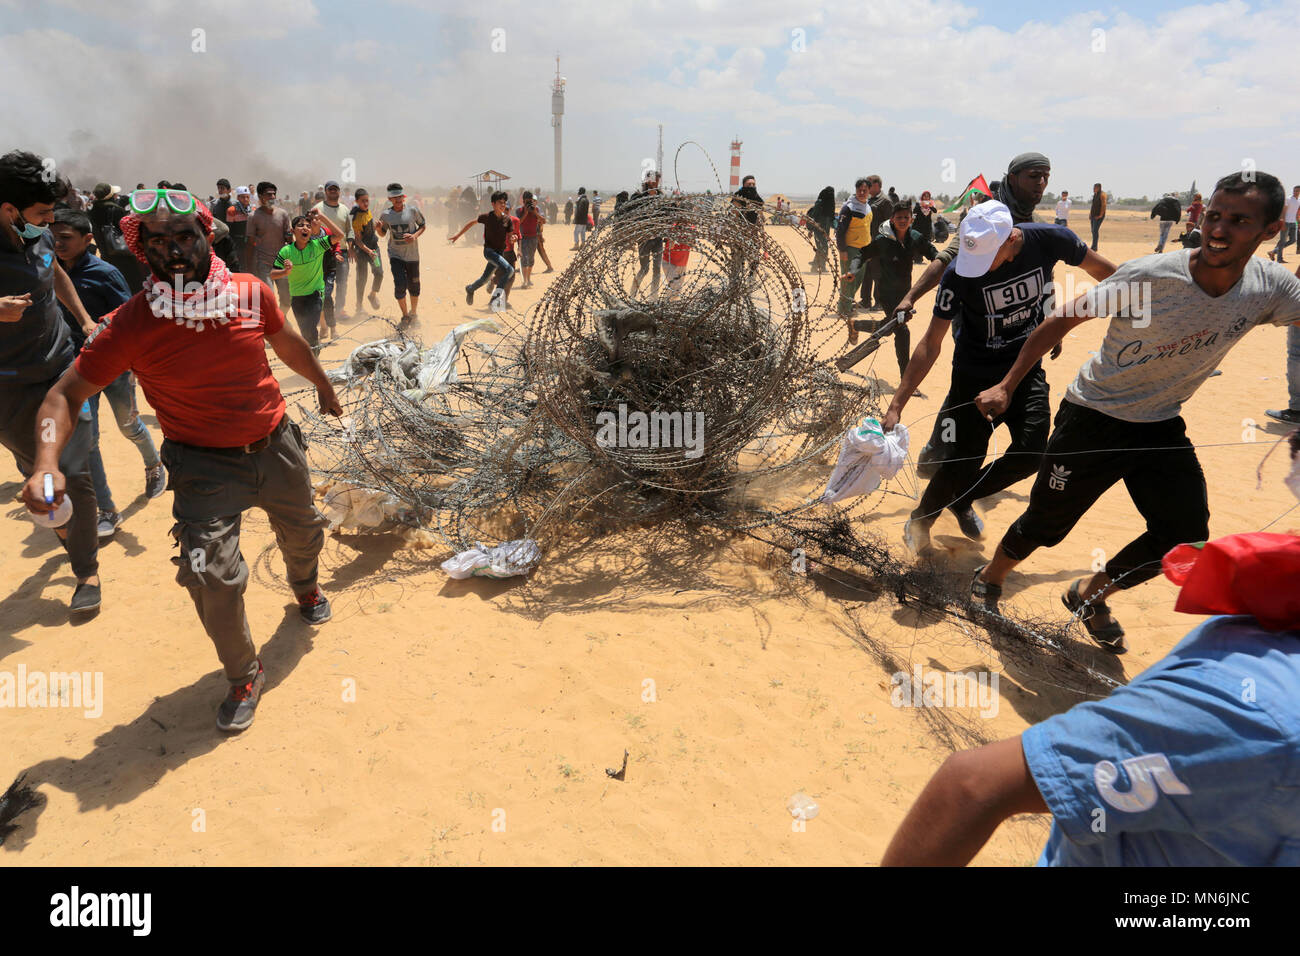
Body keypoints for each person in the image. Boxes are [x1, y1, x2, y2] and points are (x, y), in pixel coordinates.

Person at [24, 187, 342, 732]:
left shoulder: (248, 293)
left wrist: (323, 385)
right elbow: (65, 394)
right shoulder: (133, 322)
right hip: (202, 469)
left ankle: (304, 584)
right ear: (141, 250)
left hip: (276, 444)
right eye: (158, 240)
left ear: (206, 236)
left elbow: (287, 342)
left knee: (306, 531)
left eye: (184, 236)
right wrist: (46, 461)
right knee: (209, 575)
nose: (173, 249)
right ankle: (244, 673)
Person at [882, 489, 1300, 867]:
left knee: (1182, 523)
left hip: (1154, 424)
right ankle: (977, 557)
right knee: (1048, 510)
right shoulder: (1262, 714)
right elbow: (973, 783)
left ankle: (1084, 593)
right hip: (1102, 418)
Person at [972, 172, 1300, 651]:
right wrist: (1006, 384)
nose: (1219, 229)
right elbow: (1063, 317)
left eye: (1239, 220)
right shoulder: (1152, 277)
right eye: (1214, 216)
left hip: (1161, 423)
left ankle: (1089, 594)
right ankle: (992, 573)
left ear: (1270, 230)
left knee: (1185, 535)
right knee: (1046, 523)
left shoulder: (1269, 287)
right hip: (1092, 416)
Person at [884, 200, 1114, 553]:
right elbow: (932, 343)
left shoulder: (1052, 239)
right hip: (973, 374)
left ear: (1009, 240)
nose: (978, 268)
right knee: (963, 460)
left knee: (1032, 452)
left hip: (1025, 367)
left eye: (986, 258)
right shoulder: (958, 274)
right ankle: (921, 519)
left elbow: (1107, 272)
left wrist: (1144, 302)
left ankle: (962, 500)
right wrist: (897, 404)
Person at [1, 151, 102, 613]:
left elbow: (55, 272)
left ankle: (86, 571)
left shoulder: (38, 233)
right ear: (8, 210)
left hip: (62, 368)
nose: (48, 225)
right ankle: (67, 528)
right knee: (40, 481)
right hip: (11, 388)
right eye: (41, 215)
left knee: (72, 472)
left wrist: (83, 320)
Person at [50, 210, 165, 538]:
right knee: (88, 440)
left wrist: (137, 364)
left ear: (88, 240)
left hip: (113, 366)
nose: (58, 244)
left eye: (66, 238)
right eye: (53, 237)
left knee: (128, 423)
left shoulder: (105, 273)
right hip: (74, 368)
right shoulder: (48, 273)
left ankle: (154, 465)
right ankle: (106, 510)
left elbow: (130, 321)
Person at [841, 202, 942, 377]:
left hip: (906, 295)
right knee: (902, 331)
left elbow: (934, 253)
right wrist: (852, 270)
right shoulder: (883, 240)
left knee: (889, 328)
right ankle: (906, 378)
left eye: (906, 217)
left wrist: (943, 266)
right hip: (886, 293)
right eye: (899, 217)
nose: (902, 220)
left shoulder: (915, 237)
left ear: (911, 219)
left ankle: (856, 325)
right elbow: (862, 254)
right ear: (892, 219)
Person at [269, 209, 343, 352]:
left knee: (310, 327)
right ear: (293, 231)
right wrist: (285, 272)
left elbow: (340, 235)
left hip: (316, 294)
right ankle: (312, 355)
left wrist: (322, 217)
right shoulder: (286, 251)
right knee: (305, 332)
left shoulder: (317, 246)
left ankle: (314, 359)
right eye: (301, 225)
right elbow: (272, 274)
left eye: (308, 226)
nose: (305, 228)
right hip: (296, 297)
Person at [452, 190, 516, 309]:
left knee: (485, 279)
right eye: (500, 202)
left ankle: (470, 289)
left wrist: (514, 238)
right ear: (493, 204)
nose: (503, 205)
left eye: (504, 202)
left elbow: (511, 236)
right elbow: (471, 223)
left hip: (499, 253)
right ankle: (495, 300)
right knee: (509, 270)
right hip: (489, 252)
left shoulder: (507, 220)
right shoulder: (487, 217)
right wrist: (458, 235)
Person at [375, 183, 425, 328]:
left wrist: (414, 236)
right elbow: (383, 233)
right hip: (395, 255)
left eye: (399, 197)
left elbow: (423, 226)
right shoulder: (386, 215)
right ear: (390, 199)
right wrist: (378, 229)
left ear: (404, 197)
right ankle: (405, 316)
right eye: (394, 198)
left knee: (414, 286)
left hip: (413, 256)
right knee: (400, 285)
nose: (397, 200)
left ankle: (413, 313)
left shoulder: (413, 211)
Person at [836, 177, 875, 341]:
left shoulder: (867, 207)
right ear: (856, 190)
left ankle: (848, 301)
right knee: (849, 278)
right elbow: (840, 230)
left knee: (858, 278)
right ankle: (843, 307)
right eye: (859, 189)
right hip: (851, 249)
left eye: (865, 190)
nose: (862, 192)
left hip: (864, 249)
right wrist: (842, 249)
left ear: (869, 191)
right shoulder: (849, 208)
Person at [312, 180, 352, 337]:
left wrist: (351, 244)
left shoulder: (344, 209)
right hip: (321, 254)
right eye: (331, 189)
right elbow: (308, 228)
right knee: (323, 291)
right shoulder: (317, 209)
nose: (333, 191)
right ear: (326, 192)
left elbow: (349, 230)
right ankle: (323, 319)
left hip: (341, 251)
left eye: (336, 189)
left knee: (342, 283)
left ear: (339, 192)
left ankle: (339, 310)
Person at [88, 182, 146, 291]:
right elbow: (127, 230)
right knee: (132, 282)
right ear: (110, 195)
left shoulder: (92, 210)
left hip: (105, 252)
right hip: (121, 253)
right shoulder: (116, 210)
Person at [247, 181, 292, 310]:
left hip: (281, 263)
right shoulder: (253, 217)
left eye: (274, 194)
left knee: (287, 300)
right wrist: (250, 268)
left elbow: (289, 240)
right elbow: (250, 244)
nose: (272, 197)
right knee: (270, 299)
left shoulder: (283, 214)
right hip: (263, 264)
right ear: (260, 197)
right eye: (268, 195)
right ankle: (274, 327)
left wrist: (290, 235)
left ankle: (281, 320)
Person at [627, 172, 664, 297]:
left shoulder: (661, 196)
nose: (656, 183)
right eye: (653, 180)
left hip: (658, 238)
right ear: (648, 181)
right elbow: (632, 215)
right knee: (644, 269)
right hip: (644, 239)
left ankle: (654, 296)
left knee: (657, 269)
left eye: (657, 180)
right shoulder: (639, 198)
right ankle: (632, 293)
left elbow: (666, 215)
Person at [349, 187, 384, 313]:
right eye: (363, 201)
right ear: (357, 201)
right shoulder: (356, 217)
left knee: (379, 273)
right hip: (363, 252)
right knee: (361, 279)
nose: (366, 203)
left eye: (367, 200)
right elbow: (358, 240)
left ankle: (372, 295)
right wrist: (368, 251)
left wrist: (376, 227)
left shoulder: (368, 211)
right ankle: (359, 306)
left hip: (374, 249)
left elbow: (368, 231)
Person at [860, 176, 892, 311]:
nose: (866, 188)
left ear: (877, 185)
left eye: (869, 185)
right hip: (867, 242)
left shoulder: (885, 201)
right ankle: (865, 300)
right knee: (866, 273)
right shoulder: (869, 200)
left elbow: (890, 224)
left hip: (879, 244)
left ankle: (879, 302)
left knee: (877, 274)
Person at [514, 190, 544, 289]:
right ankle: (524, 281)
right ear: (523, 201)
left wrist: (535, 212)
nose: (528, 203)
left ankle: (528, 278)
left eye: (530, 201)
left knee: (531, 259)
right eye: (526, 201)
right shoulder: (519, 211)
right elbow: (518, 223)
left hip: (533, 237)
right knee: (523, 259)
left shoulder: (536, 210)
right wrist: (526, 213)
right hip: (523, 238)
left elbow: (543, 221)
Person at [807, 186, 836, 274]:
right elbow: (814, 216)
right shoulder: (819, 204)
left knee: (822, 247)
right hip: (818, 228)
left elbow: (831, 219)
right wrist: (811, 230)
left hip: (825, 230)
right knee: (822, 247)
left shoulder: (830, 205)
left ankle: (819, 266)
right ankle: (817, 266)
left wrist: (834, 229)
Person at [1269, 184, 1300, 264]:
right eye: (1294, 190)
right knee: (1282, 241)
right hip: (1286, 222)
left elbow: (1296, 213)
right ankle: (1280, 259)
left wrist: (1298, 222)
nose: (1295, 192)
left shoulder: (1298, 201)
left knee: (1293, 240)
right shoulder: (1288, 199)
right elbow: (1284, 211)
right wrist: (1282, 222)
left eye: (1297, 191)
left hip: (1293, 223)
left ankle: (1273, 252)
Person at [1088, 182, 1106, 251]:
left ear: (1098, 188)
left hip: (1098, 216)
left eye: (1095, 188)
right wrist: (1090, 213)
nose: (1093, 189)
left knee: (1095, 230)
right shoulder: (1095, 195)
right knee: (1093, 230)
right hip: (1093, 215)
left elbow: (1104, 205)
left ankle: (1094, 247)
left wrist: (1101, 215)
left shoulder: (1102, 195)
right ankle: (1094, 246)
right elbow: (1093, 205)